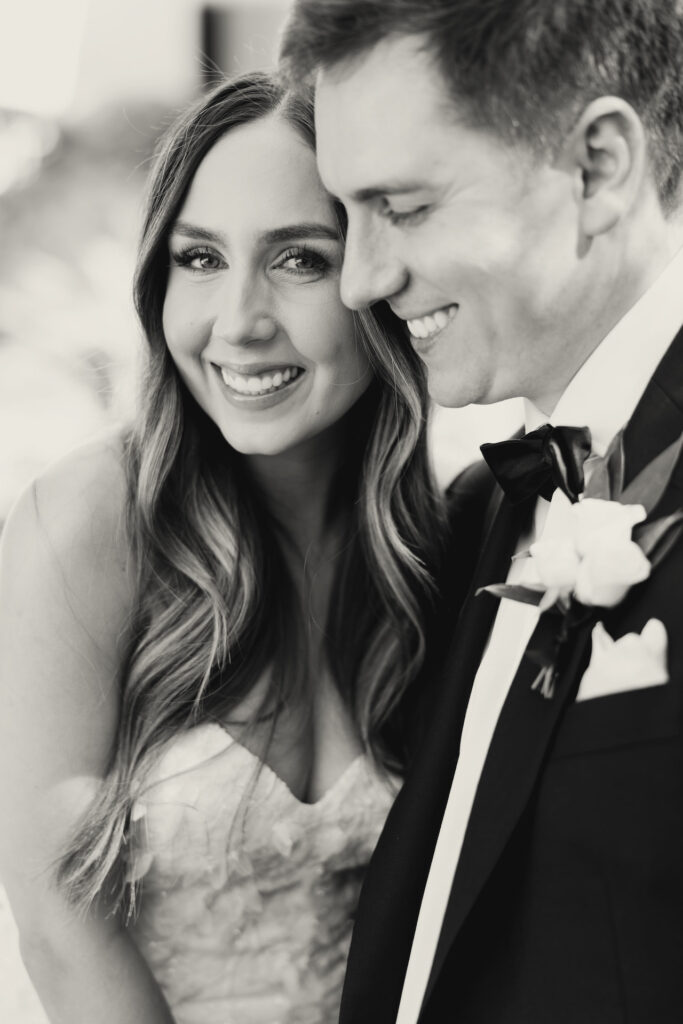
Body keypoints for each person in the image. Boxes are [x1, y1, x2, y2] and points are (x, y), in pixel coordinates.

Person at [0, 71, 450, 1024]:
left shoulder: (433, 548)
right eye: (199, 259)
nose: (238, 322)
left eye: (298, 260)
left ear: (377, 274)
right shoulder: (88, 524)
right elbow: (57, 924)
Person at [279, 1, 683, 1021]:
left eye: (402, 208)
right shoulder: (478, 515)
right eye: (344, 217)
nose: (362, 278)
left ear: (596, 167)